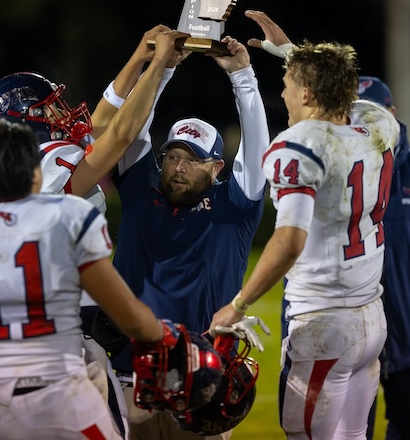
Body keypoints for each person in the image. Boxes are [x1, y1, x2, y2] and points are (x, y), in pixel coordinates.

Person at [0, 121, 181, 440]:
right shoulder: (68, 217)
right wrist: (169, 338)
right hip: (59, 392)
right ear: (33, 173)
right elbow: (131, 319)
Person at [0, 25, 190, 437]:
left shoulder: (13, 174)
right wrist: (159, 65)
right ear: (21, 126)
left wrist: (138, 61)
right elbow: (120, 134)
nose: (62, 113)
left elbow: (101, 122)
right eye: (47, 110)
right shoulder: (47, 166)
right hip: (58, 341)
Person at [210, 27, 401, 438]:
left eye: (288, 85)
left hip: (323, 322)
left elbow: (289, 241)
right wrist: (300, 58)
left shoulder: (300, 143)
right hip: (372, 317)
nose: (283, 94)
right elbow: (354, 102)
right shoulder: (377, 129)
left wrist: (239, 304)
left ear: (308, 95)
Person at [98, 34, 270, 440]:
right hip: (129, 375)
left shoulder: (236, 206)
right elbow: (129, 127)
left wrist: (243, 77)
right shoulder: (142, 189)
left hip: (201, 381)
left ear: (216, 168)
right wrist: (164, 67)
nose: (178, 167)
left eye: (192, 160)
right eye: (173, 156)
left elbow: (258, 146)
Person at [357, 76, 410, 440]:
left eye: (373, 116)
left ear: (392, 114)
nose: (365, 126)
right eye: (356, 117)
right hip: (355, 336)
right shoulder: (342, 168)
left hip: (406, 338)